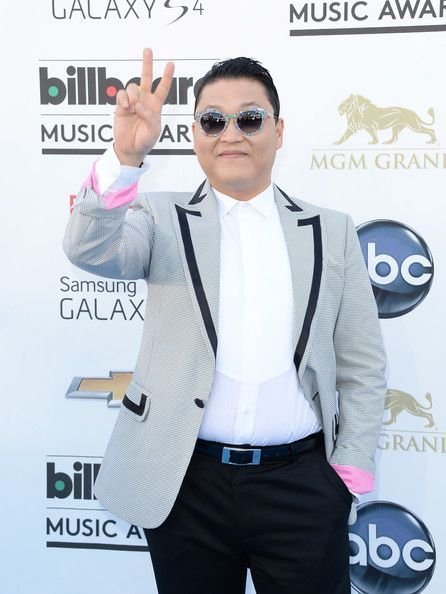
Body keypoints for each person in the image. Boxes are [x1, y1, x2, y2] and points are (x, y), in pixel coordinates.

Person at [63, 48, 387, 594]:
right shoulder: (159, 218)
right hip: (185, 485)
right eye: (213, 120)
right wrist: (125, 158)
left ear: (278, 131)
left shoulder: (331, 232)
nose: (231, 133)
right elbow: (88, 248)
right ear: (195, 134)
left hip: (304, 489)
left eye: (249, 118)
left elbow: (362, 361)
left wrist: (346, 475)